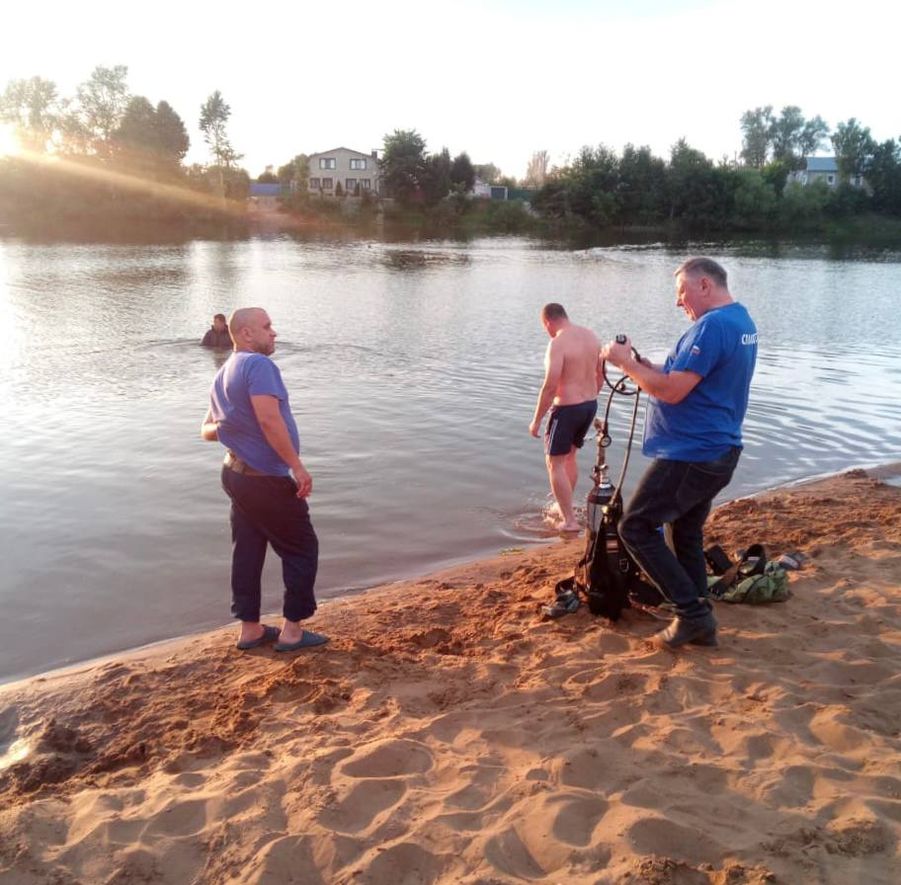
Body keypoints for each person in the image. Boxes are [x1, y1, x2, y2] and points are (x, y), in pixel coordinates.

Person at [601, 257, 757, 649]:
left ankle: (693, 614)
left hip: (693, 452)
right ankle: (697, 607)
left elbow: (671, 391)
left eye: (682, 292)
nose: (678, 303)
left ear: (705, 285)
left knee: (635, 527)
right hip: (718, 449)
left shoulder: (714, 325)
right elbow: (679, 375)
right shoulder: (740, 320)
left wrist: (623, 364)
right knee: (684, 529)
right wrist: (639, 363)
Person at [200, 307, 327, 653]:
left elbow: (207, 431)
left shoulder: (223, 372)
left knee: (248, 550)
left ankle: (250, 629)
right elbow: (270, 421)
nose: (274, 333)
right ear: (245, 334)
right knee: (302, 548)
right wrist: (297, 467)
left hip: (234, 474)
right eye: (267, 327)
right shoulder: (258, 365)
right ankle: (292, 633)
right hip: (263, 480)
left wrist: (233, 428)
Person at [529, 303, 602, 532]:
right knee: (570, 457)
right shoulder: (591, 336)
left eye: (545, 328)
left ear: (547, 322)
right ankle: (565, 509)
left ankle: (569, 520)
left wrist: (537, 419)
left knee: (555, 463)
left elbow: (550, 386)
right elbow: (600, 374)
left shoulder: (557, 343)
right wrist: (589, 399)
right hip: (589, 405)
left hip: (567, 409)